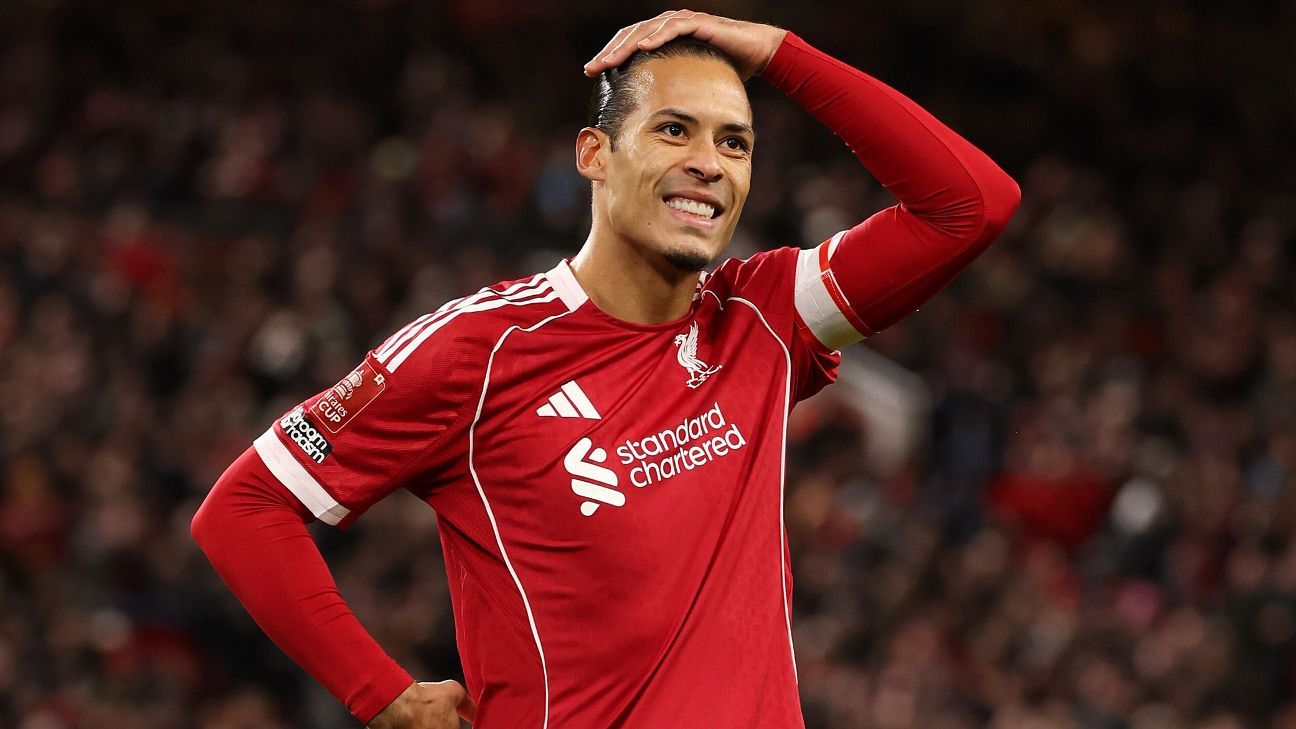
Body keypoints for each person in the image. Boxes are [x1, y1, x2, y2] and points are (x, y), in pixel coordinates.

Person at [191, 10, 1019, 729]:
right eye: (674, 130)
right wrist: (382, 693)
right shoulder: (480, 350)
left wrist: (778, 52)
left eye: (735, 142)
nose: (710, 163)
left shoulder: (762, 316)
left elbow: (971, 204)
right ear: (594, 153)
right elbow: (244, 508)